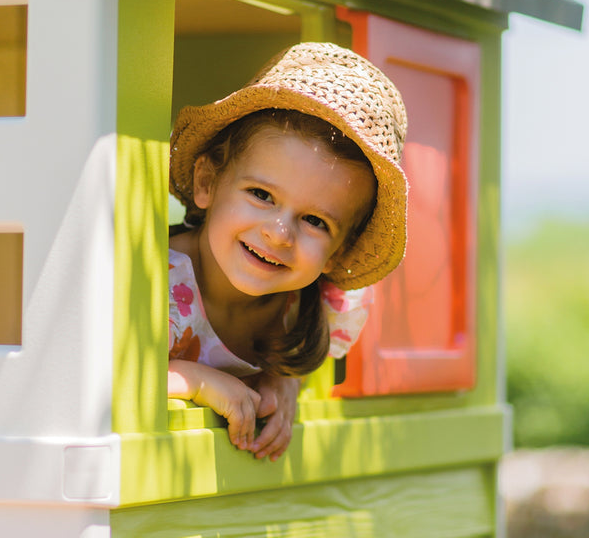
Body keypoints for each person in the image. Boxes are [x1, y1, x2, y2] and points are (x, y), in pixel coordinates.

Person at [167, 42, 408, 462]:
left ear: (338, 252)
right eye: (261, 194)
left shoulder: (311, 308)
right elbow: (91, 375)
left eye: (316, 222)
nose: (280, 234)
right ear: (206, 182)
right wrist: (195, 381)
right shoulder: (152, 281)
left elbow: (298, 364)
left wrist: (283, 381)